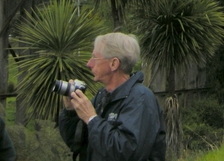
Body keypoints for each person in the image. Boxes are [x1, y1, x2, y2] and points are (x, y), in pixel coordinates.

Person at [59, 32, 166, 161]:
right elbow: (76, 143)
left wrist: (92, 119)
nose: (89, 64)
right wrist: (70, 112)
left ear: (114, 64)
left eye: (95, 58)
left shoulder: (141, 98)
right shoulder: (102, 97)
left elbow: (127, 152)